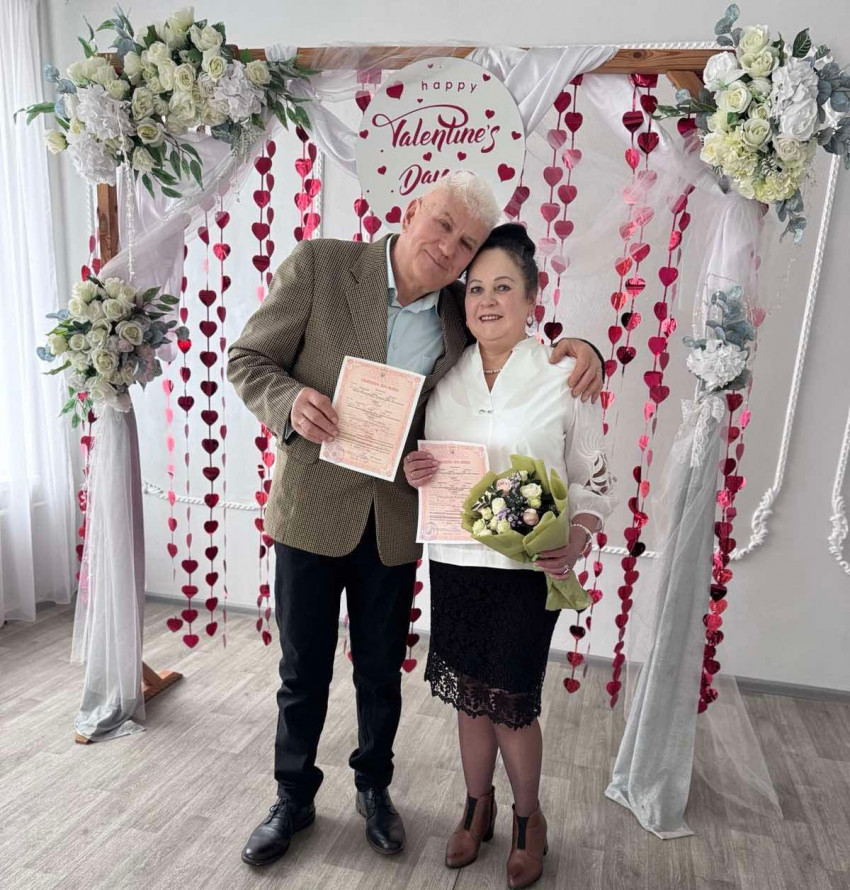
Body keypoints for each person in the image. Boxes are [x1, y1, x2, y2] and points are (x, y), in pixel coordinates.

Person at [227, 172, 604, 867]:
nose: (449, 248)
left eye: (465, 244)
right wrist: (289, 403)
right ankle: (292, 797)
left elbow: (514, 330)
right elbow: (248, 358)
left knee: (380, 671)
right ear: (411, 211)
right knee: (302, 668)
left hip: (399, 519)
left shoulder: (460, 312)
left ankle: (374, 789)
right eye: (443, 225)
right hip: (312, 510)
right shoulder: (321, 265)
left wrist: (584, 348)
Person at [403, 223, 616, 889]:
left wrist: (579, 535)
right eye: (475, 289)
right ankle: (477, 806)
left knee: (511, 702)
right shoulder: (444, 379)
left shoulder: (563, 378)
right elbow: (424, 460)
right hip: (455, 562)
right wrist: (416, 471)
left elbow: (596, 480)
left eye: (503, 288)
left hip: (526, 572)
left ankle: (529, 818)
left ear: (531, 299)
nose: (487, 301)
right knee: (470, 698)